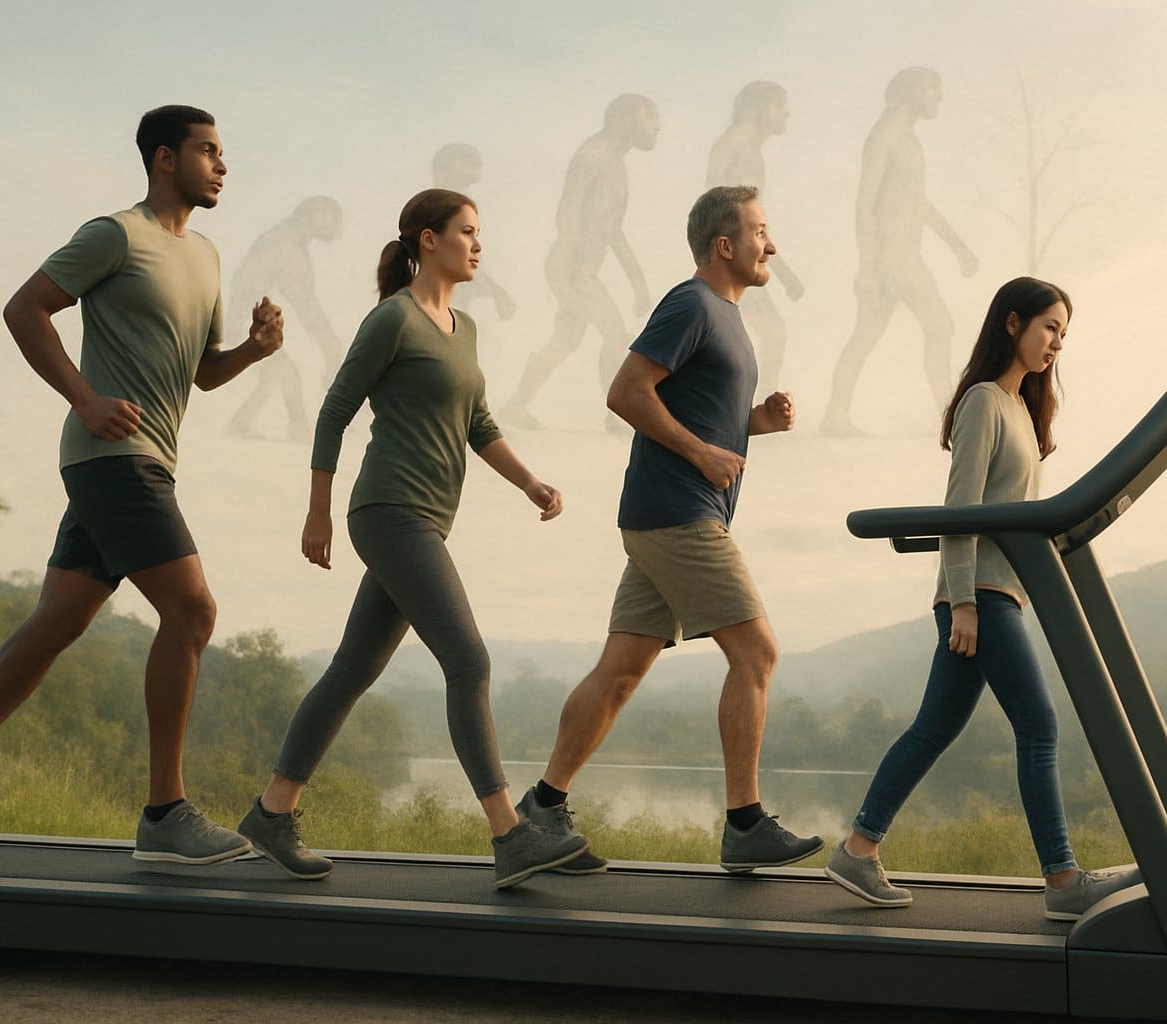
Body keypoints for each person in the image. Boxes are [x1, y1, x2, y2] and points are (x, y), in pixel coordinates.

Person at [0, 105, 285, 866]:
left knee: (61, 619)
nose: (222, 165)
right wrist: (83, 396)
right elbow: (25, 308)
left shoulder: (206, 257)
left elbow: (202, 374)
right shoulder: (115, 234)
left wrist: (252, 350)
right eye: (208, 151)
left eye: (223, 153)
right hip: (113, 457)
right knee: (193, 608)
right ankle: (165, 812)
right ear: (165, 158)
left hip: (147, 458)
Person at [237, 188, 588, 889]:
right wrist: (318, 512)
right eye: (466, 232)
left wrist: (531, 482)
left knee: (351, 671)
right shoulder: (391, 319)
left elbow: (478, 423)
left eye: (479, 233)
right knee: (470, 662)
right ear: (428, 240)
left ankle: (272, 813)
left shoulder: (465, 328)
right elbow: (334, 410)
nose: (478, 244)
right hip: (389, 510)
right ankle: (509, 835)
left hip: (426, 517)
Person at [515, 186, 823, 874]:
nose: (771, 244)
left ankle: (541, 807)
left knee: (621, 671)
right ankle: (744, 823)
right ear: (725, 244)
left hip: (664, 514)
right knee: (757, 654)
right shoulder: (691, 304)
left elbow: (702, 414)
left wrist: (755, 421)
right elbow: (626, 390)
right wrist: (702, 453)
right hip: (679, 513)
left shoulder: (728, 317)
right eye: (761, 231)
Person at [824, 276, 1139, 921]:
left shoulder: (1023, 410)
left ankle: (857, 850)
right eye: (1049, 327)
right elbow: (960, 506)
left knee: (933, 728)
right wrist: (962, 599)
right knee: (1039, 725)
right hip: (982, 596)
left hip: (1003, 594)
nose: (1057, 342)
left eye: (1063, 334)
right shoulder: (983, 403)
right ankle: (1062, 881)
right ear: (1012, 323)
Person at [822, 67, 978, 435]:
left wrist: (958, 245)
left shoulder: (905, 137)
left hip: (901, 255)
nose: (938, 97)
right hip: (893, 258)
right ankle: (950, 417)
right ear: (910, 92)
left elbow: (917, 203)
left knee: (866, 335)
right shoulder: (885, 137)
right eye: (932, 90)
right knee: (939, 325)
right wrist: (869, 265)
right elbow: (865, 203)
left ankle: (835, 415)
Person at [500, 94, 659, 429]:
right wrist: (572, 278)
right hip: (572, 268)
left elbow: (611, 229)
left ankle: (515, 406)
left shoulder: (613, 160)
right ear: (628, 118)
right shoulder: (594, 155)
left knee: (567, 339)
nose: (656, 127)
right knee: (615, 337)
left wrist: (638, 283)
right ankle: (616, 416)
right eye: (650, 117)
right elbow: (568, 212)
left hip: (580, 270)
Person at [705, 81, 804, 394]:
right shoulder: (736, 147)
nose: (786, 113)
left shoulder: (743, 149)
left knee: (761, 336)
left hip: (737, 259)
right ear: (760, 107)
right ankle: (749, 410)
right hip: (732, 262)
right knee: (770, 334)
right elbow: (724, 212)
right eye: (779, 105)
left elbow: (747, 219)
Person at [226, 196, 345, 443]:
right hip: (246, 321)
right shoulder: (285, 245)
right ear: (313, 216)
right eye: (328, 216)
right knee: (286, 372)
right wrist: (330, 345)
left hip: (246, 319)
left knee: (275, 373)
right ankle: (300, 433)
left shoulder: (285, 240)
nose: (334, 223)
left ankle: (242, 421)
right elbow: (306, 305)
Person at [431, 144, 516, 321]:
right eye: (473, 165)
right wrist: (499, 294)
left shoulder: (445, 207)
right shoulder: (448, 210)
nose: (478, 171)